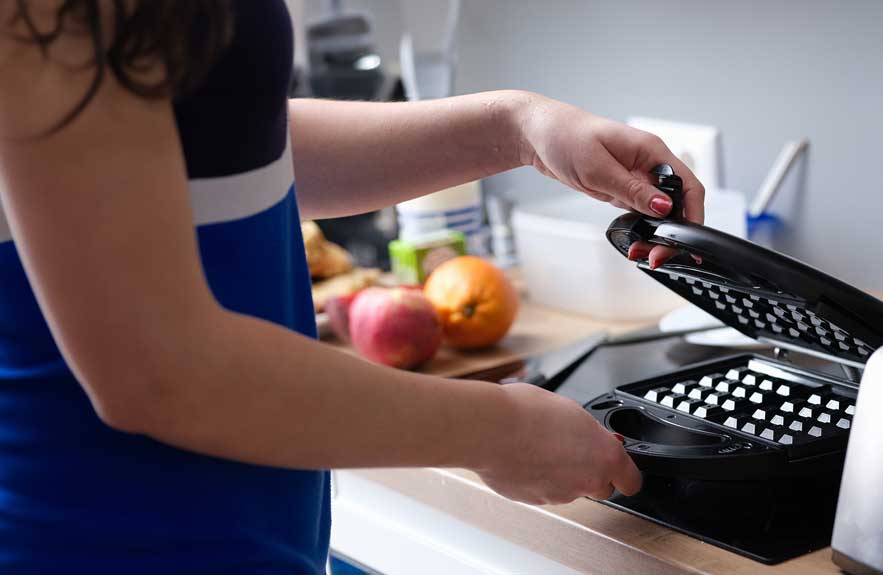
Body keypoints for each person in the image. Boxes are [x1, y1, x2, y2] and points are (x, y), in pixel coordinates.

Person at [0, 1, 705, 573]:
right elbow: (158, 369)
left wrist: (516, 127)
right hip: (100, 541)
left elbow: (225, 146)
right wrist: (500, 430)